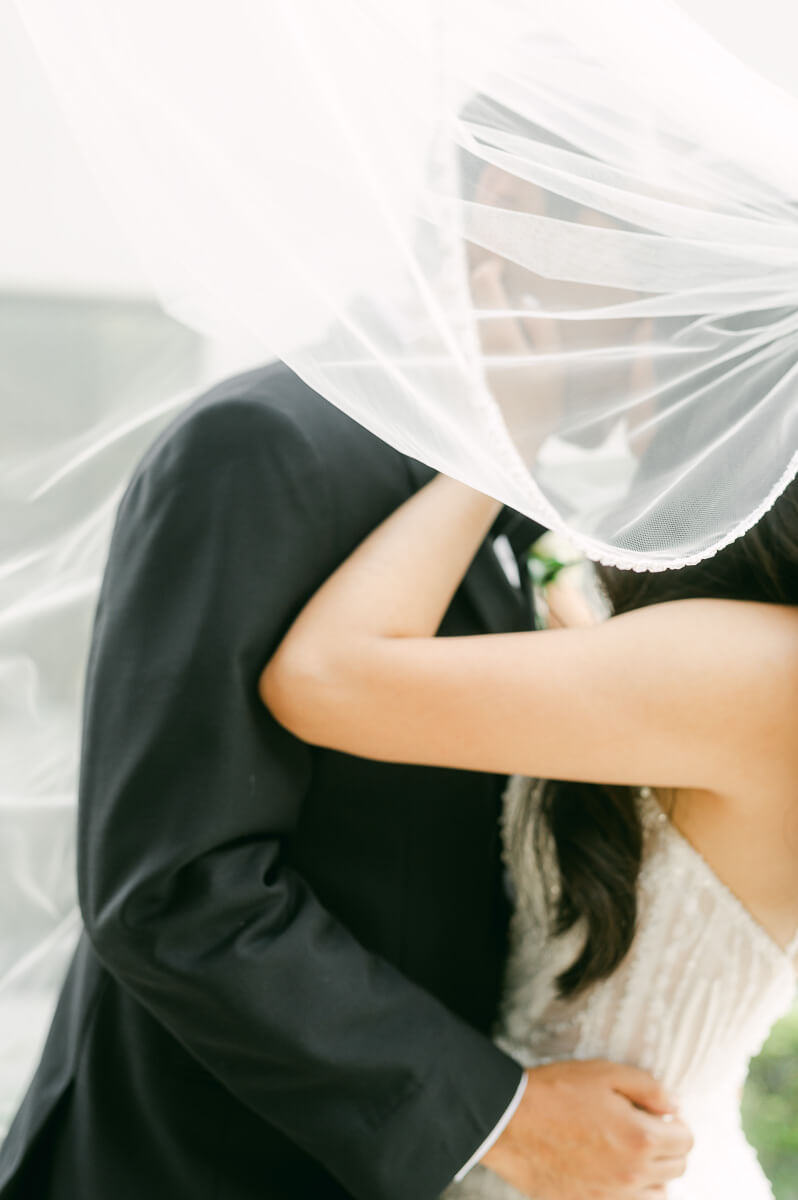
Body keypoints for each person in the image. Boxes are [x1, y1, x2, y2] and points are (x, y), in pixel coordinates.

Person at [0, 357, 691, 1200]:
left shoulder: (497, 484)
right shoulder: (270, 444)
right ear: (521, 225)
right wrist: (502, 1117)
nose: (671, 323)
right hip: (194, 1165)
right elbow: (176, 885)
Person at [260, 460, 798, 1199]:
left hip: (607, 1168)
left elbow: (322, 677)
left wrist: (489, 446)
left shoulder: (757, 665)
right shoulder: (740, 657)